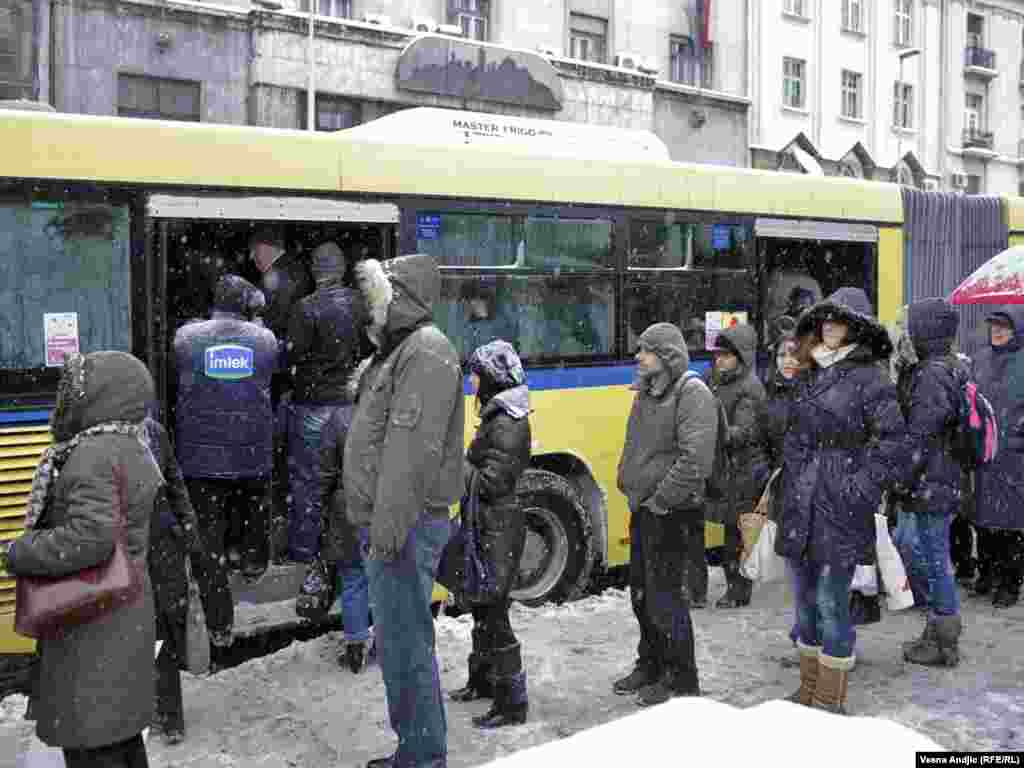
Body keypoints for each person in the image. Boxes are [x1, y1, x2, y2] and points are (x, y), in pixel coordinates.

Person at [2, 351, 163, 768]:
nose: (67, 400)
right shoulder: (133, 444)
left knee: (94, 740)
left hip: (93, 617)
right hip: (121, 607)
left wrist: (20, 551)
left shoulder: (93, 452)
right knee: (118, 737)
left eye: (75, 390)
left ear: (100, 396)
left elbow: (91, 538)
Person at [345, 253, 465, 768]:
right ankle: (415, 749)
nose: (368, 308)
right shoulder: (399, 351)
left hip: (405, 525)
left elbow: (409, 456)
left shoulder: (426, 351)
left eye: (378, 297)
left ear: (401, 299)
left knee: (406, 644)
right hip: (393, 522)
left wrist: (386, 532)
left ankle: (422, 756)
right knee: (398, 643)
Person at [779, 288, 906, 714]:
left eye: (840, 320)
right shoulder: (810, 370)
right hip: (802, 501)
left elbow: (892, 444)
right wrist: (794, 472)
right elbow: (794, 435)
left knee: (832, 604)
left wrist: (859, 488)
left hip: (841, 505)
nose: (830, 327)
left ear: (856, 328)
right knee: (804, 603)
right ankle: (808, 690)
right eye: (825, 320)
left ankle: (829, 701)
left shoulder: (871, 377)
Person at [614, 322, 717, 706]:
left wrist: (660, 500)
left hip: (672, 511)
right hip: (646, 508)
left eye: (647, 350)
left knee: (667, 598)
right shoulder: (647, 391)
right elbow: (638, 447)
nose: (638, 357)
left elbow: (695, 461)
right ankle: (652, 664)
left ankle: (681, 678)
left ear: (667, 356)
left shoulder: (692, 393)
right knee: (642, 595)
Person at [173, 274, 279, 644]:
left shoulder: (187, 338)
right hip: (251, 453)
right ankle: (252, 563)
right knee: (253, 511)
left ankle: (219, 622)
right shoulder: (264, 340)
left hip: (201, 460)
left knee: (207, 539)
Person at [449, 340, 532, 729]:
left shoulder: (507, 422)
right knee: (482, 606)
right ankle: (482, 681)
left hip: (498, 525)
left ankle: (512, 702)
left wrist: (460, 466)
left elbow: (493, 481)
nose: (473, 382)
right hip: (488, 522)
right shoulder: (498, 416)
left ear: (494, 378)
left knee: (495, 612)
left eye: (477, 376)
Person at [285, 241, 370, 614]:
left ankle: (307, 557)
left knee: (309, 484)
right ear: (342, 269)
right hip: (351, 405)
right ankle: (349, 552)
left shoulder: (305, 308)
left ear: (315, 271)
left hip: (314, 406)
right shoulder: (361, 304)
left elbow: (292, 354)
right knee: (349, 483)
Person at [891, 298, 965, 666]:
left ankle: (943, 640)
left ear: (925, 331)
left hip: (932, 480)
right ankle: (938, 631)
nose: (905, 334)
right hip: (940, 477)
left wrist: (900, 479)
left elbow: (920, 437)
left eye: (910, 327)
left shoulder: (932, 375)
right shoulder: (943, 367)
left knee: (935, 560)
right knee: (933, 557)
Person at [143, 413, 204, 744]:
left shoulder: (153, 432)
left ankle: (168, 716)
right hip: (139, 549)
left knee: (161, 629)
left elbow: (174, 481)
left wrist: (188, 527)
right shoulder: (103, 439)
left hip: (158, 546)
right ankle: (160, 715)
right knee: (149, 630)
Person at [705, 322, 766, 609]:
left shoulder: (748, 388)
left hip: (743, 471)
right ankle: (735, 588)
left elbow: (742, 433)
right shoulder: (719, 382)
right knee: (733, 533)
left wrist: (713, 427)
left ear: (741, 357)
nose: (720, 360)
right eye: (718, 354)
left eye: (726, 355)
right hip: (730, 470)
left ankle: (738, 591)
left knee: (738, 536)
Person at [972, 307, 1024, 609]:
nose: (997, 330)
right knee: (984, 520)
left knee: (1012, 525)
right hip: (985, 452)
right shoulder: (980, 359)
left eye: (1004, 326)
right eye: (993, 325)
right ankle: (987, 574)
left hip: (1015, 455)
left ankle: (1010, 583)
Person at [319, 403, 373, 673]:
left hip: (347, 504)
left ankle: (355, 650)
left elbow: (325, 473)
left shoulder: (339, 419)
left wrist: (322, 507)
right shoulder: (396, 415)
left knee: (353, 578)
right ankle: (387, 644)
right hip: (385, 503)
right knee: (388, 580)